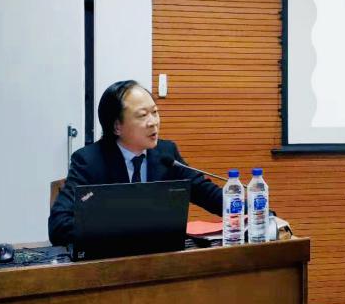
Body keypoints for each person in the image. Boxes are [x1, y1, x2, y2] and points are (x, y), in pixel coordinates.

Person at [48, 80, 222, 246]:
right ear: (117, 126)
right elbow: (59, 225)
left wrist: (237, 205)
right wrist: (119, 231)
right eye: (143, 115)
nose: (153, 122)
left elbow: (206, 193)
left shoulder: (166, 154)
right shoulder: (90, 161)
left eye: (155, 112)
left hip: (160, 257)